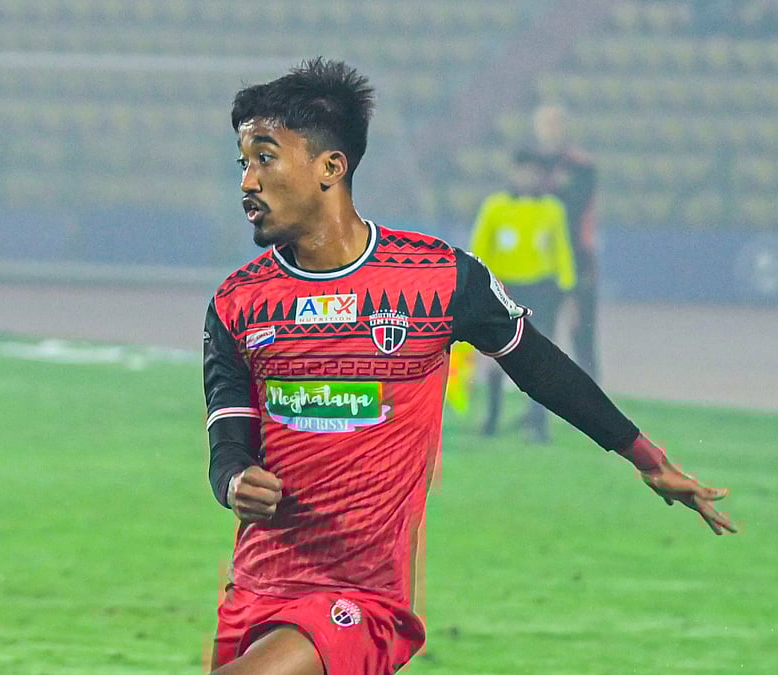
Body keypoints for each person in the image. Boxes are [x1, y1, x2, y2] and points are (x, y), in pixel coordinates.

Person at [202, 58, 735, 675]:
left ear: (330, 167)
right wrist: (236, 481)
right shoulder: (237, 303)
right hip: (257, 589)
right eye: (243, 162)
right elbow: (228, 441)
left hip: (359, 596)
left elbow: (539, 367)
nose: (247, 181)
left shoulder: (439, 279)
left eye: (265, 158)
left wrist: (649, 459)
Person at [469, 148, 576, 443]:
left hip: (541, 289)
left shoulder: (552, 209)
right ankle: (492, 418)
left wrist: (568, 289)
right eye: (523, 171)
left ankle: (538, 423)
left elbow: (562, 251)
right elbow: (480, 248)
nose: (528, 177)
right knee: (496, 353)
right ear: (514, 173)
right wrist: (478, 286)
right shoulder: (496, 207)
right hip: (504, 289)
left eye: (534, 172)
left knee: (539, 357)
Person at [532, 103, 600, 381]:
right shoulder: (530, 164)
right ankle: (539, 401)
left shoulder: (581, 166)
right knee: (538, 330)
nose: (552, 128)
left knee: (581, 329)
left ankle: (594, 396)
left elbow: (578, 204)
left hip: (577, 255)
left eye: (557, 122)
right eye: (546, 122)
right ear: (537, 128)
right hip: (539, 260)